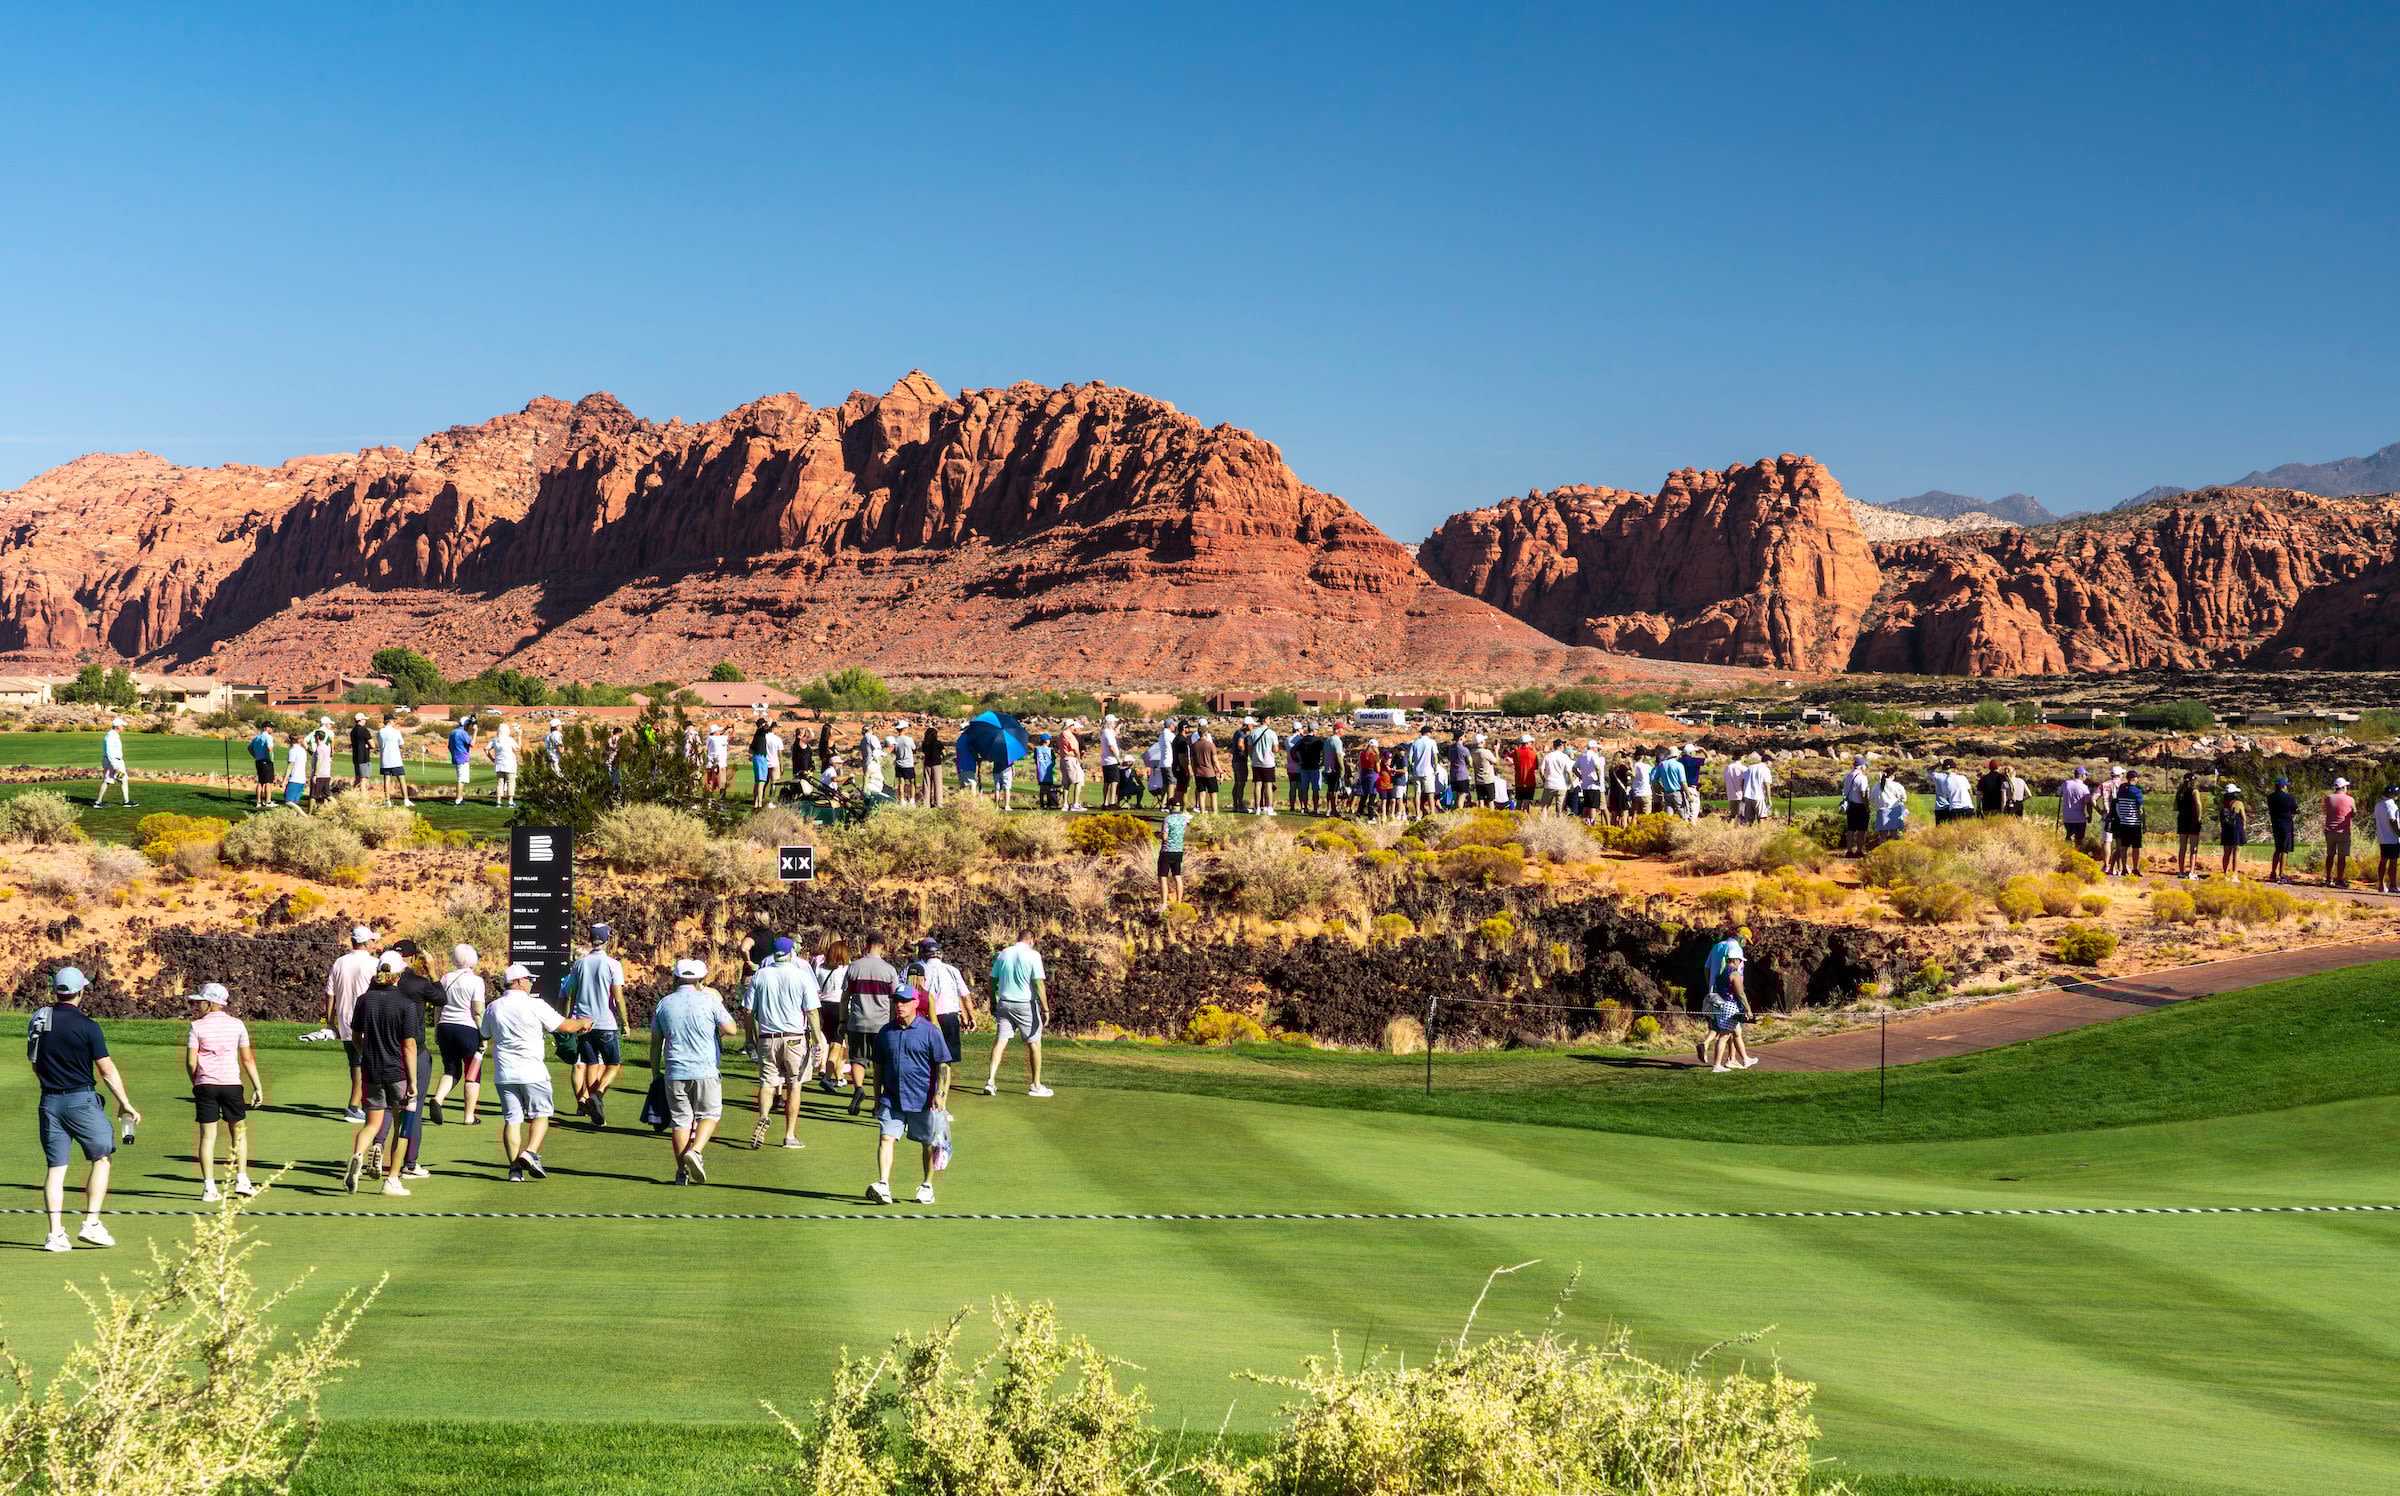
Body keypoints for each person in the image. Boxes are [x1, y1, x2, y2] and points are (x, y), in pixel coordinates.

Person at [29, 968, 140, 1252]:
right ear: (81, 992)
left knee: (56, 1170)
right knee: (102, 1158)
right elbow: (106, 1070)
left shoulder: (39, 1019)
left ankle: (55, 1236)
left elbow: (34, 1061)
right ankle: (90, 1224)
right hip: (81, 1101)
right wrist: (125, 1102)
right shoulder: (89, 1026)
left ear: (56, 991)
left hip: (49, 1102)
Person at [481, 962, 591, 1182]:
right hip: (532, 1072)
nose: (531, 983)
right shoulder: (535, 1005)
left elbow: (484, 1033)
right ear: (519, 982)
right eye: (529, 980)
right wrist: (584, 1022)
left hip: (504, 1073)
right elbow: (566, 1026)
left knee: (512, 1119)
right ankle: (530, 1152)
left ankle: (514, 1170)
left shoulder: (494, 1006)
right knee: (541, 1115)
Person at [652, 958, 740, 1184]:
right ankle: (697, 1151)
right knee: (710, 1114)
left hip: (675, 1070)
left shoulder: (664, 1003)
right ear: (700, 979)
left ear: (676, 978)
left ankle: (682, 1173)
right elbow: (731, 1029)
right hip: (705, 1069)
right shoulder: (710, 1000)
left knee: (681, 1121)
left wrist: (655, 1073)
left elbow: (655, 1043)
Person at [868, 983, 953, 1205]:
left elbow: (943, 1066)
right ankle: (883, 1185)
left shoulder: (930, 1031)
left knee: (928, 1143)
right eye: (897, 1001)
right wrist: (877, 1099)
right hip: (892, 1098)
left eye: (905, 1001)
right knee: (886, 1137)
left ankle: (927, 1186)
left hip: (922, 1099)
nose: (900, 1006)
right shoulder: (886, 1032)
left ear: (916, 1003)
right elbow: (877, 1068)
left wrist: (940, 1094)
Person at [345, 956, 420, 1197]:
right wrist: (414, 1081)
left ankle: (357, 1157)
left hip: (371, 1071)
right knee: (402, 1127)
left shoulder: (364, 1000)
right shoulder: (405, 1003)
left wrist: (366, 1055)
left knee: (372, 1124)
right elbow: (409, 1046)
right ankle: (392, 1180)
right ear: (399, 976)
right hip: (397, 1073)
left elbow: (356, 1037)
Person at [181, 983, 262, 1203]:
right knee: (239, 1133)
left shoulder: (195, 1026)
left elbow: (190, 1062)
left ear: (211, 1003)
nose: (197, 1005)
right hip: (232, 1085)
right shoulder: (237, 1024)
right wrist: (257, 1086)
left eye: (201, 1001)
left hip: (205, 1086)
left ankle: (209, 1188)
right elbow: (247, 1059)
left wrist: (196, 1082)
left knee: (208, 1137)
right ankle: (242, 1180)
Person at [743, 937, 823, 1150]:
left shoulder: (760, 975)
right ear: (790, 953)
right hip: (794, 1038)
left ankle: (764, 1116)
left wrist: (749, 1038)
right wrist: (817, 1040)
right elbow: (812, 1012)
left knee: (767, 1083)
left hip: (767, 1037)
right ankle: (789, 1135)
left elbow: (748, 1011)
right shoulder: (801, 975)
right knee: (794, 1085)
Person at [560, 922, 628, 1125]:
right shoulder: (613, 964)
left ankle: (592, 1108)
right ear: (608, 940)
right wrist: (625, 1022)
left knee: (592, 1063)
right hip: (605, 1022)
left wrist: (566, 1020)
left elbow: (569, 993)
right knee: (613, 1064)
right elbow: (618, 997)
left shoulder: (579, 964)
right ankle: (597, 1095)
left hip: (583, 1022)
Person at [983, 929, 1051, 1098]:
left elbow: (992, 981)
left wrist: (992, 1001)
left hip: (1004, 1004)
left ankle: (990, 1081)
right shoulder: (1034, 955)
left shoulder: (1003, 954)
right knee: (1034, 1043)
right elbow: (1039, 984)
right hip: (1025, 1005)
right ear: (1032, 940)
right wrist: (1046, 1008)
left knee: (1000, 1041)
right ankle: (1036, 1085)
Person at [840, 933, 901, 1117]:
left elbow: (844, 997)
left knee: (857, 1059)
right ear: (882, 946)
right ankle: (877, 1104)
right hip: (881, 1025)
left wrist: (842, 1020)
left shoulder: (854, 967)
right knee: (879, 1063)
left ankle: (858, 1088)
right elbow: (894, 1000)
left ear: (866, 945)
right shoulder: (889, 970)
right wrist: (894, 1023)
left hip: (857, 1022)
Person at [429, 943, 487, 1126]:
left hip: (446, 1027)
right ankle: (469, 1116)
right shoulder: (476, 981)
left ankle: (438, 1098)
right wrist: (484, 1034)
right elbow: (478, 1011)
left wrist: (437, 1030)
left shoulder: (445, 978)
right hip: (467, 1029)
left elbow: (438, 1008)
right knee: (473, 1072)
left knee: (451, 1069)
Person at [326, 925, 379, 1123]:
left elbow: (330, 994)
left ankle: (361, 1104)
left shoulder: (339, 962)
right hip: (367, 1020)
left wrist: (330, 1022)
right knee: (363, 1065)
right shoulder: (374, 963)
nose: (375, 943)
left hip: (344, 1020)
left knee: (356, 1064)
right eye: (373, 940)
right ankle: (355, 1107)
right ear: (366, 943)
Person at [913, 936, 977, 1076]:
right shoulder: (952, 970)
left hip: (924, 1016)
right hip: (949, 1016)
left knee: (925, 1053)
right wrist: (971, 1017)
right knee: (947, 1055)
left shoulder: (916, 969)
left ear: (923, 953)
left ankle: (928, 1082)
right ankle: (942, 1086)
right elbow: (964, 996)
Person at [1702, 934, 1757, 1072]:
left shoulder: (1721, 972)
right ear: (1734, 959)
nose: (1740, 962)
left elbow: (1707, 970)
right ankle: (1717, 1065)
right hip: (1730, 1006)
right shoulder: (1735, 974)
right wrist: (1748, 1008)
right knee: (1725, 1035)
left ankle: (1745, 1059)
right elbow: (1741, 994)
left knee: (1737, 1032)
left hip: (1721, 1004)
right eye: (1739, 960)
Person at [2110, 769, 2147, 877]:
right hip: (2134, 824)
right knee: (2136, 848)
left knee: (2123, 847)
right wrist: (2144, 823)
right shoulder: (2136, 791)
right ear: (2134, 779)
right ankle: (2135, 868)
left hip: (2123, 823)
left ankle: (2124, 868)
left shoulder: (2121, 792)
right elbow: (2140, 809)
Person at [2323, 777, 2357, 889]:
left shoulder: (2328, 798)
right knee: (2341, 857)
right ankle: (2339, 879)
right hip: (2343, 831)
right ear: (2343, 787)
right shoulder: (2350, 799)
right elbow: (2354, 812)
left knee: (2330, 855)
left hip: (2329, 830)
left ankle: (2328, 878)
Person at [94, 717, 135, 807]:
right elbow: (109, 751)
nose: (123, 727)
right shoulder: (110, 736)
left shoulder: (114, 735)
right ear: (117, 726)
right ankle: (98, 802)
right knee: (107, 780)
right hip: (112, 762)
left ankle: (126, 801)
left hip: (117, 761)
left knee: (123, 779)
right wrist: (114, 765)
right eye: (122, 725)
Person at [2266, 776, 2299, 883]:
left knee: (2277, 849)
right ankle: (2282, 875)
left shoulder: (2270, 797)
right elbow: (2294, 809)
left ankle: (2273, 872)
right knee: (2285, 850)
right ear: (2283, 786)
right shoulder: (2288, 797)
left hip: (2276, 825)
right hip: (2286, 825)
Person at [1158, 803, 1191, 908]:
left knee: (1163, 877)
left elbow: (1165, 837)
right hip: (1178, 851)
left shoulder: (1167, 819)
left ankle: (1164, 904)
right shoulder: (1183, 819)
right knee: (1177, 876)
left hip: (1167, 851)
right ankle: (1179, 902)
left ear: (1170, 807)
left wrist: (1158, 835)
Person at [2173, 771, 2204, 879]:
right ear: (2192, 780)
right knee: (2193, 848)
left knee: (2182, 848)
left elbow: (2175, 807)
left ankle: (2181, 872)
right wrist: (2199, 818)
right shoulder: (2194, 791)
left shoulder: (2180, 791)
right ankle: (2191, 872)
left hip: (2182, 820)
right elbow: (2198, 804)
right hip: (2193, 820)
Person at [1249, 718, 1281, 816]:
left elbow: (1249, 748)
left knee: (1257, 785)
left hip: (1256, 761)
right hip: (1268, 762)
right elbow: (1276, 749)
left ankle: (1257, 808)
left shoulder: (1253, 733)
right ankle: (1269, 808)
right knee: (1268, 785)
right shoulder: (1271, 733)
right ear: (1266, 720)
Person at [1841, 756, 1872, 856]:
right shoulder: (1862, 777)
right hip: (1860, 805)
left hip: (1850, 805)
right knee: (1861, 829)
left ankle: (1849, 850)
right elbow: (1863, 794)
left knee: (1850, 829)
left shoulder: (1848, 776)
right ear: (1862, 766)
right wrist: (1867, 807)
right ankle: (1859, 850)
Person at [2059, 766, 2093, 854]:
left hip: (2067, 816)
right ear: (2081, 776)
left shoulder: (2066, 783)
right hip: (2079, 817)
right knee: (2079, 839)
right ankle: (2076, 854)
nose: (2086, 777)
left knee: (2068, 836)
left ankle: (2067, 853)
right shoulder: (2084, 787)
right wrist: (2090, 815)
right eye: (2085, 775)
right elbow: (2088, 803)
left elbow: (2058, 793)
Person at [1406, 726, 1438, 817]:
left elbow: (1410, 758)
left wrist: (1412, 768)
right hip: (1428, 771)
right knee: (1430, 794)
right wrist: (1435, 767)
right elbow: (1435, 757)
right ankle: (1432, 813)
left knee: (1417, 793)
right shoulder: (1432, 742)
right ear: (1428, 733)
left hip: (1417, 770)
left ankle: (1417, 815)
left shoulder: (1415, 743)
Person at [244, 720, 277, 808]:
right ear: (266, 728)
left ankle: (259, 802)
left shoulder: (257, 737)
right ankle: (268, 802)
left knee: (260, 782)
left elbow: (249, 748)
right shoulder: (268, 737)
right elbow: (269, 748)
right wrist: (270, 759)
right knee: (268, 782)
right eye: (271, 728)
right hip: (267, 761)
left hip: (258, 761)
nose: (272, 729)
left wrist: (255, 755)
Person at [2218, 784, 2248, 881]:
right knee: (2236, 852)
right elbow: (2243, 817)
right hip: (2236, 828)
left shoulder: (2223, 804)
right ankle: (2234, 875)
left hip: (2226, 829)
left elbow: (2221, 818)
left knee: (2226, 852)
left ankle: (2225, 874)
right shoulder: (2239, 803)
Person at [1190, 718, 1220, 813]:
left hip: (1198, 772)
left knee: (1201, 794)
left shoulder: (1193, 745)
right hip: (1209, 772)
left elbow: (1192, 760)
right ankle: (1215, 814)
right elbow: (1214, 760)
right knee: (1213, 795)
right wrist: (1220, 770)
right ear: (1206, 733)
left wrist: (1194, 770)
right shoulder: (1210, 745)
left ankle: (1202, 813)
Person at [2374, 786, 2400, 895]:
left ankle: (2381, 884)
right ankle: (2393, 885)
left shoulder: (2378, 805)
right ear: (2393, 794)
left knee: (2383, 860)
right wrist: (2399, 832)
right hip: (2392, 838)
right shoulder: (2392, 805)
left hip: (2382, 837)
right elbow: (2393, 820)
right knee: (2393, 862)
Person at [1931, 759, 1972, 825]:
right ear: (1954, 768)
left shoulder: (1941, 779)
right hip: (1966, 806)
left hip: (1951, 808)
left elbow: (1929, 770)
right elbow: (1970, 791)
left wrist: (1937, 765)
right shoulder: (1962, 778)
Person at [489, 722, 520, 806]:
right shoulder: (509, 740)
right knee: (511, 783)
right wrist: (519, 737)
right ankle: (510, 802)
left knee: (500, 783)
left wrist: (492, 758)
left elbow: (486, 749)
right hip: (510, 765)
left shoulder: (495, 740)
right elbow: (518, 749)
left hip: (499, 765)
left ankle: (498, 801)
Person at [446, 717, 476, 804]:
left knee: (460, 778)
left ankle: (460, 798)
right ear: (465, 724)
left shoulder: (453, 732)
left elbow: (449, 746)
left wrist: (454, 754)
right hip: (462, 759)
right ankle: (458, 800)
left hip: (455, 758)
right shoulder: (463, 733)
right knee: (461, 780)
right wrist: (475, 731)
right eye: (468, 724)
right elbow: (472, 744)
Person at [1875, 767, 1909, 839]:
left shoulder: (1877, 786)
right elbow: (1904, 799)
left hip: (1881, 812)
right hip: (1894, 811)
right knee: (1894, 836)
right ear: (1892, 776)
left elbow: (1872, 799)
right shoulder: (1897, 785)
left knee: (1882, 837)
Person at [1099, 715, 1124, 807]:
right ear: (1110, 723)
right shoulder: (1108, 732)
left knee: (1107, 782)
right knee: (1114, 782)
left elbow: (1115, 733)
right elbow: (1111, 747)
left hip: (1106, 761)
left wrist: (1119, 724)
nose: (1115, 723)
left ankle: (1105, 802)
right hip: (1112, 760)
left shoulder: (1104, 732)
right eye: (1114, 722)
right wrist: (1118, 759)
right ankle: (1112, 802)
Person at [350, 713, 375, 789]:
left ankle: (353, 794)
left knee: (357, 778)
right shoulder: (364, 730)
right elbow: (373, 745)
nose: (365, 721)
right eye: (364, 719)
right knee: (363, 779)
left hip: (355, 757)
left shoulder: (353, 731)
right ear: (360, 720)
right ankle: (363, 798)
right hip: (363, 758)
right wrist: (368, 746)